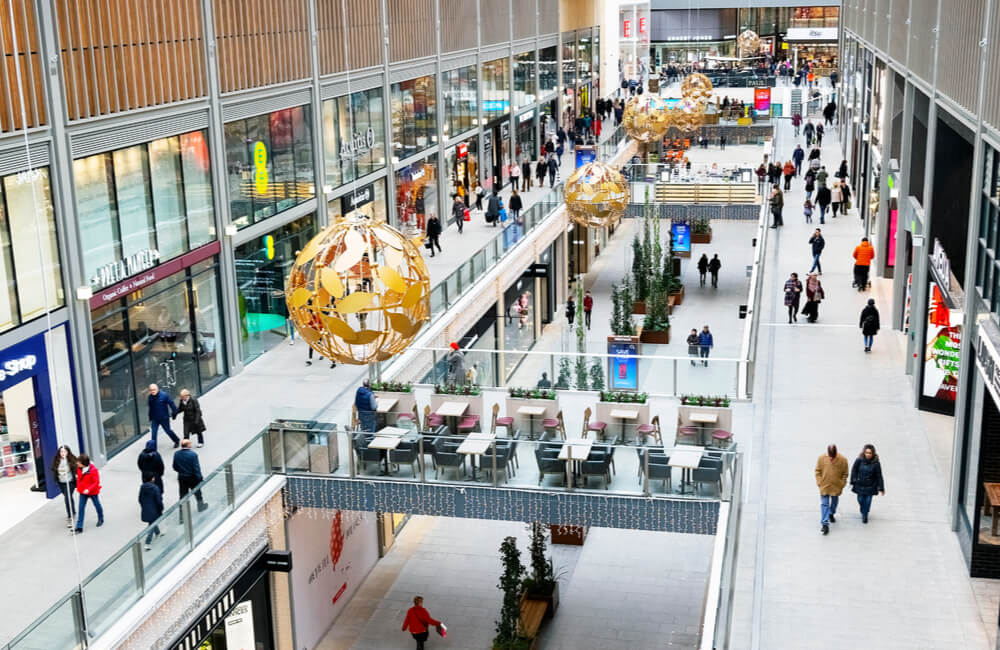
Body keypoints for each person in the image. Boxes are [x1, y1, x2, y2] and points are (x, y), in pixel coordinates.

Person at [815, 444, 848, 535]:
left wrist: (842, 484)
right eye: (830, 456)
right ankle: (825, 524)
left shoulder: (843, 460)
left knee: (834, 503)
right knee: (824, 504)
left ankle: (831, 513)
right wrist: (819, 482)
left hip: (836, 487)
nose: (831, 458)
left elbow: (845, 473)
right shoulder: (821, 458)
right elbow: (817, 471)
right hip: (824, 486)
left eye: (832, 456)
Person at [850, 444, 885, 523]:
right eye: (867, 452)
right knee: (860, 499)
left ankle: (865, 515)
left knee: (868, 501)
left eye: (870, 453)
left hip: (871, 486)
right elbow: (854, 470)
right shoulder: (859, 460)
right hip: (860, 484)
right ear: (864, 452)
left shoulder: (876, 463)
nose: (868, 454)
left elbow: (879, 475)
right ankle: (863, 510)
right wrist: (853, 480)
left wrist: (881, 488)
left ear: (873, 454)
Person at [173, 440, 208, 513]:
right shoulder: (193, 454)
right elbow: (196, 468)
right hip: (192, 478)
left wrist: (181, 471)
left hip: (182, 477)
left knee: (182, 495)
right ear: (187, 445)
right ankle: (200, 506)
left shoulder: (176, 454)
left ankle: (182, 513)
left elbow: (174, 466)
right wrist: (200, 478)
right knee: (197, 493)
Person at [74, 454, 103, 533]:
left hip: (92, 492)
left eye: (79, 462)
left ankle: (101, 518)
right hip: (82, 491)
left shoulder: (93, 470)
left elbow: (96, 482)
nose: (77, 463)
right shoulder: (79, 468)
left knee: (97, 505)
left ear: (84, 463)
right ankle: (79, 526)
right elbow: (79, 478)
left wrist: (88, 489)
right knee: (81, 508)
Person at [51, 445, 77, 526]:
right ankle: (73, 510)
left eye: (65, 451)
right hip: (61, 483)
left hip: (70, 482)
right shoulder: (57, 460)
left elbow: (77, 468)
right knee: (68, 497)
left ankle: (70, 517)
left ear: (68, 452)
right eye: (61, 451)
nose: (63, 453)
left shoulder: (72, 459)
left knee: (67, 498)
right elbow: (53, 468)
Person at [139, 472, 164, 551]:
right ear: (152, 478)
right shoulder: (155, 488)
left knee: (152, 521)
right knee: (152, 524)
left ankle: (158, 533)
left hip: (146, 508)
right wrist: (161, 508)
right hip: (154, 509)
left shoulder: (142, 487)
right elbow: (158, 501)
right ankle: (147, 542)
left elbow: (140, 499)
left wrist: (144, 506)